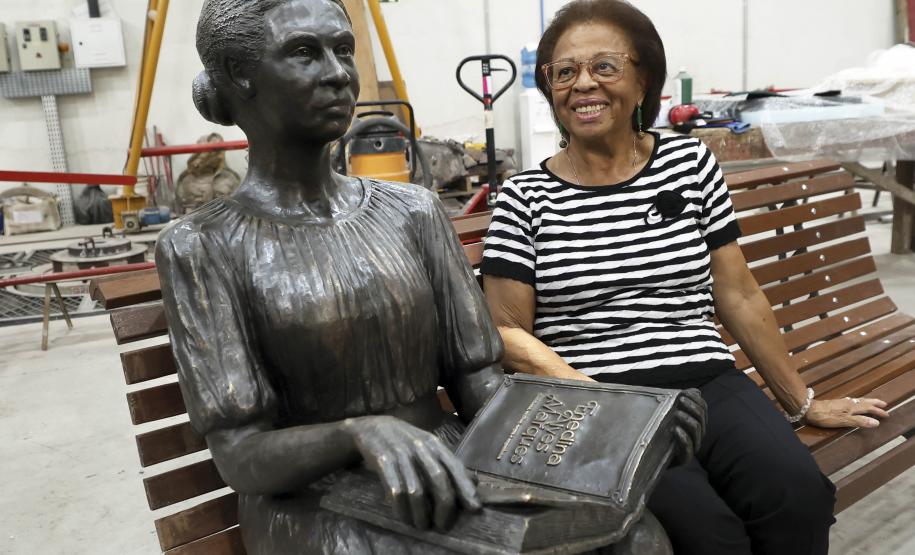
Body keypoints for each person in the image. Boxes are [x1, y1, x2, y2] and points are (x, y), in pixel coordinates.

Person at [481, 1, 890, 554]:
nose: (583, 84)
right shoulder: (524, 198)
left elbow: (738, 293)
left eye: (604, 66)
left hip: (708, 380)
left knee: (798, 496)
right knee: (706, 535)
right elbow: (507, 331)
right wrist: (607, 403)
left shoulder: (689, 163)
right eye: (564, 71)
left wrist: (802, 402)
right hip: (605, 401)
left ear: (643, 78)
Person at [156, 0, 504, 552]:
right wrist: (357, 434)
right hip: (314, 502)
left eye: (344, 50)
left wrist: (605, 435)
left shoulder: (414, 210)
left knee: (633, 536)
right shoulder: (200, 245)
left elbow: (479, 381)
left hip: (443, 464)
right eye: (303, 53)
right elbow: (242, 456)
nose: (339, 72)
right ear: (240, 76)